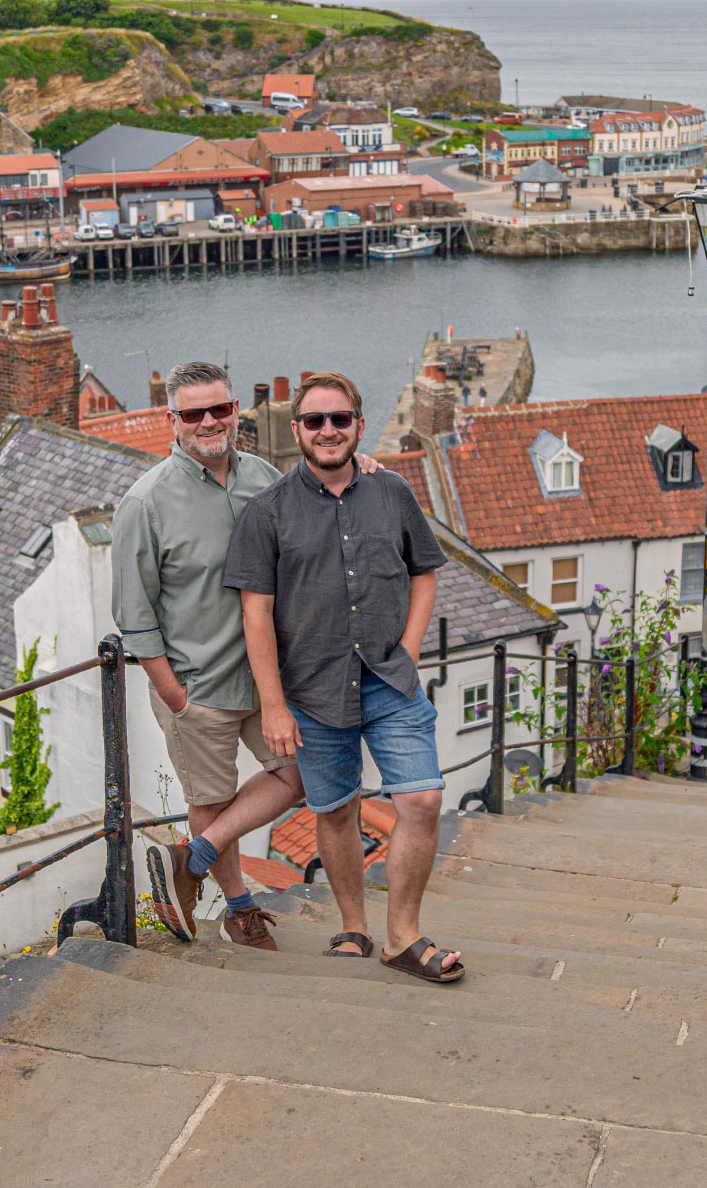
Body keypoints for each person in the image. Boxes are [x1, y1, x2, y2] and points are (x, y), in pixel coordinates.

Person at [112, 361, 382, 949]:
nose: (210, 422)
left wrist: (361, 467)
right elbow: (134, 615)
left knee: (302, 773)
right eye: (194, 413)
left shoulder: (262, 475)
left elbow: (321, 499)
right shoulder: (145, 503)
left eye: (221, 409)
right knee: (209, 800)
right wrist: (171, 692)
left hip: (268, 682)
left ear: (237, 411)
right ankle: (239, 909)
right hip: (197, 686)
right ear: (172, 420)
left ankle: (192, 857)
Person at [224, 371, 465, 983]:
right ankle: (353, 927)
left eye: (339, 419)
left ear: (359, 425)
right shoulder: (268, 511)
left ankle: (402, 938)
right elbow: (256, 613)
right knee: (335, 811)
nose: (327, 430)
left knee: (423, 798)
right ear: (297, 431)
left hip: (388, 679)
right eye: (314, 421)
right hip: (311, 688)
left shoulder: (393, 493)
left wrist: (408, 650)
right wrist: (273, 706)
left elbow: (423, 572)